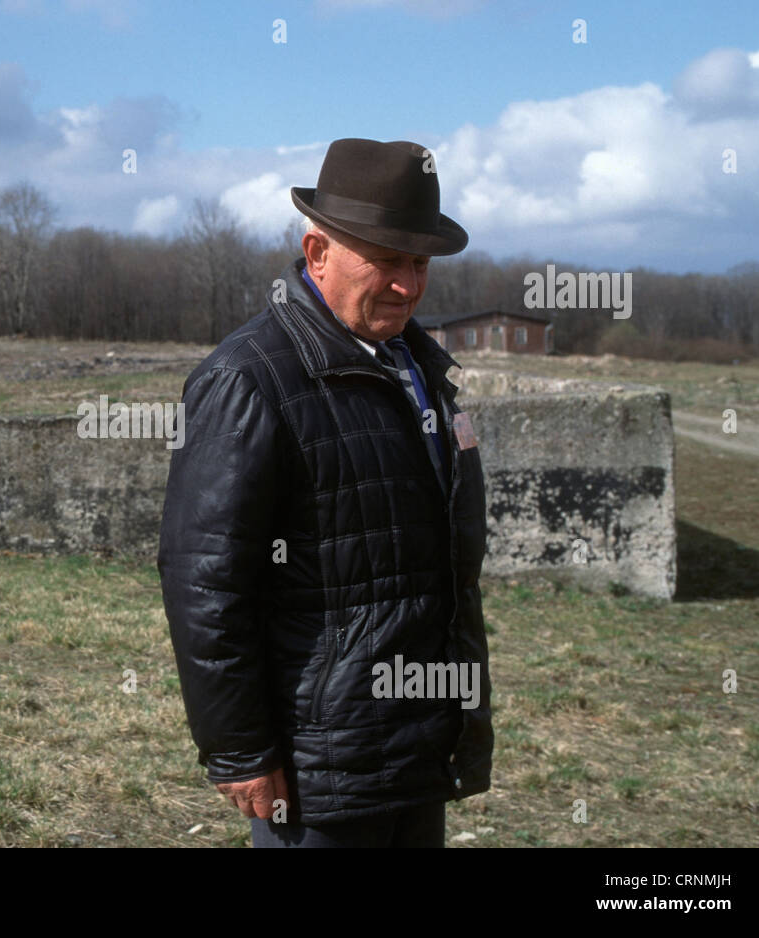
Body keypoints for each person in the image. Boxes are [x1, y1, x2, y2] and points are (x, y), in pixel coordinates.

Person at [157, 138, 493, 848]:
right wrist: (242, 750)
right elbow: (205, 584)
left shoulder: (418, 367)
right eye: (387, 260)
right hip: (320, 771)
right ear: (317, 253)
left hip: (415, 748)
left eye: (421, 262)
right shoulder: (250, 380)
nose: (409, 285)